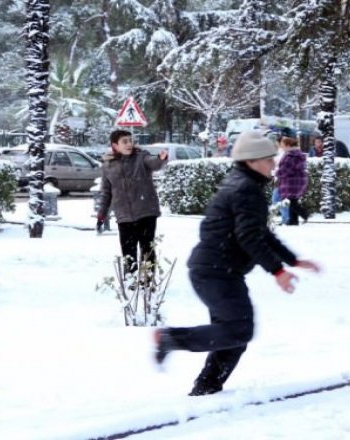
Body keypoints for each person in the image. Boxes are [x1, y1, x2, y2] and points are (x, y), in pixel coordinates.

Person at [152, 130, 321, 396]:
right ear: (252, 161)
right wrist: (278, 271)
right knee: (239, 329)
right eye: (268, 159)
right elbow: (249, 238)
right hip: (217, 272)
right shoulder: (246, 189)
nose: (274, 164)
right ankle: (171, 338)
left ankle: (206, 387)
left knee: (234, 333)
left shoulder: (243, 183)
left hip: (215, 270)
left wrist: (293, 260)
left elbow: (261, 233)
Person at [96, 130, 168, 278]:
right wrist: (101, 215)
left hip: (146, 212)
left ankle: (147, 284)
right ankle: (131, 283)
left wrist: (161, 159)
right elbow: (106, 193)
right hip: (124, 216)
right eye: (124, 141)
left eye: (130, 140)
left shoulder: (141, 157)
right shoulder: (108, 166)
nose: (129, 144)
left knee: (147, 249)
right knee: (128, 253)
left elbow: (154, 163)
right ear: (115, 145)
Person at [276, 127, 309, 225]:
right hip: (296, 181)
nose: (281, 147)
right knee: (292, 200)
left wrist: (277, 173)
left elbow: (286, 169)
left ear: (288, 145)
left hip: (291, 182)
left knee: (291, 201)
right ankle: (293, 221)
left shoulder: (290, 155)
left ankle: (304, 214)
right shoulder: (296, 154)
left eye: (283, 145)